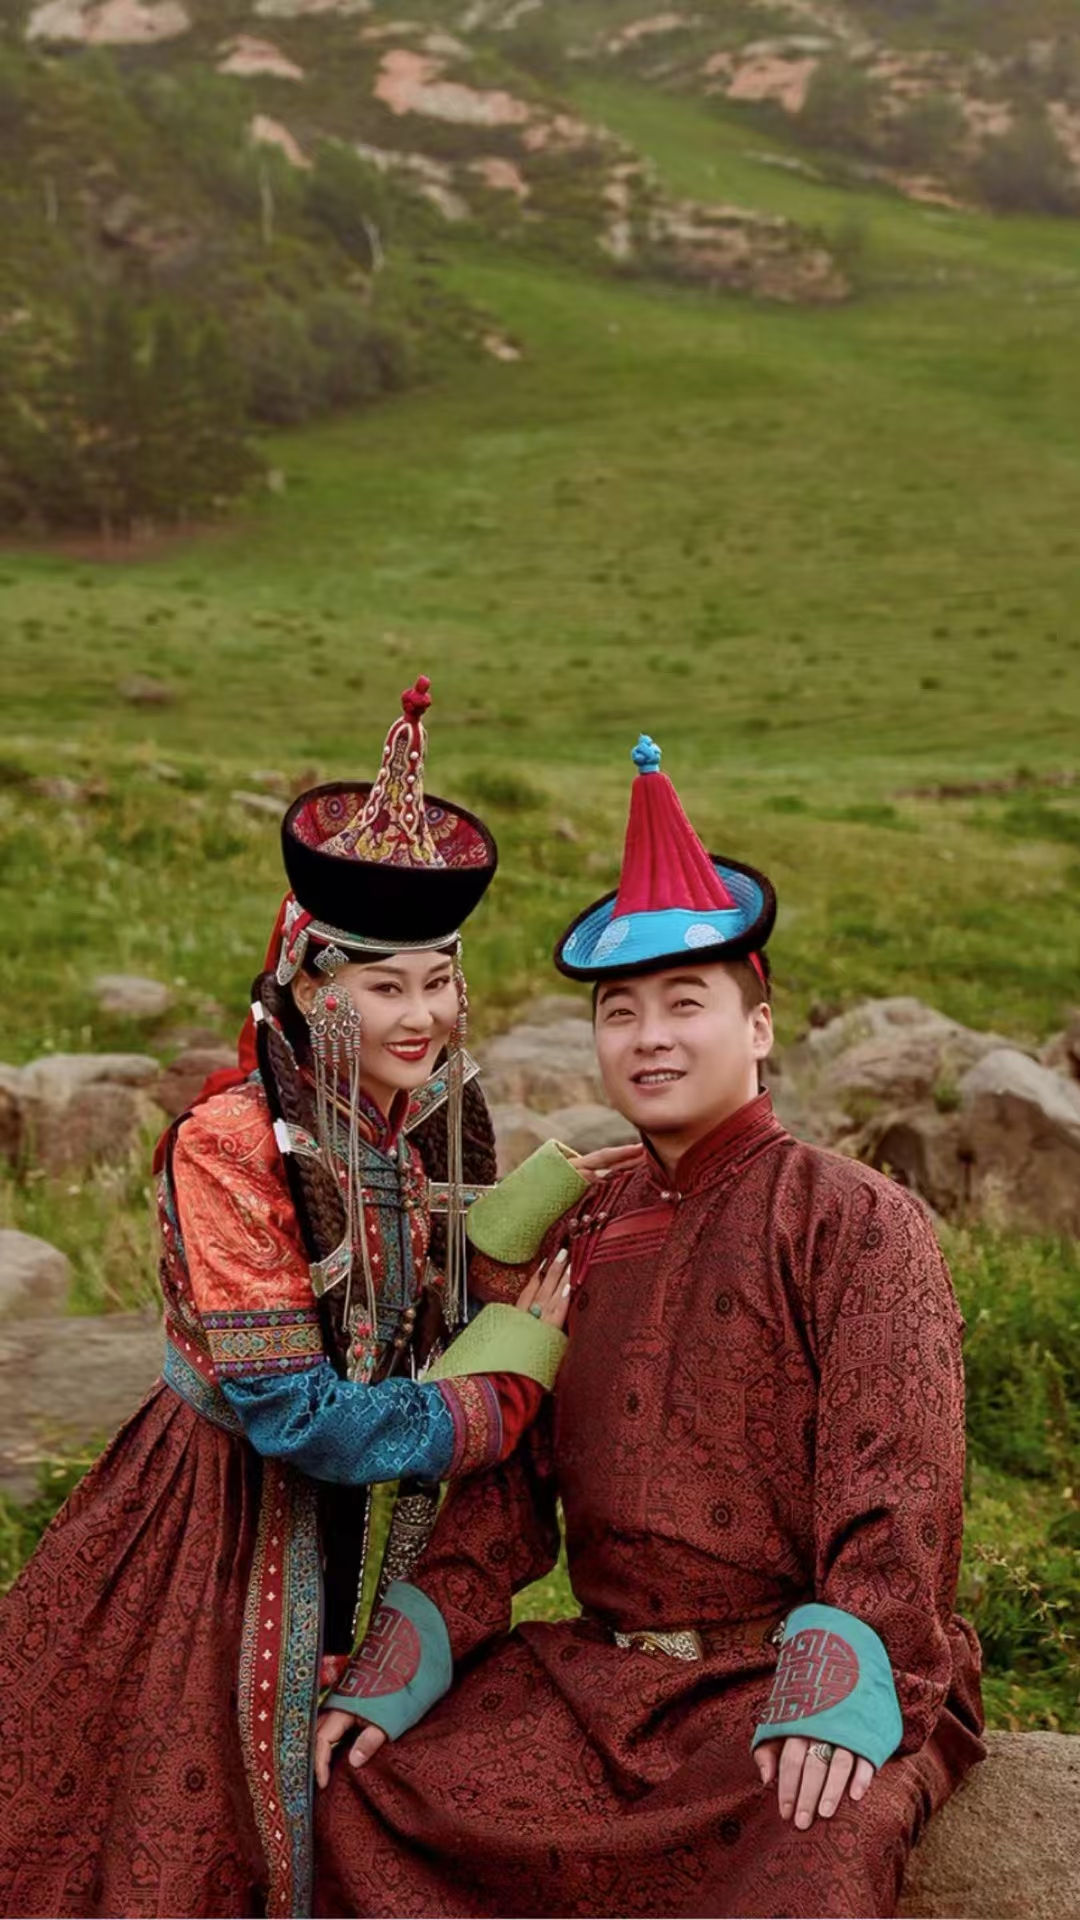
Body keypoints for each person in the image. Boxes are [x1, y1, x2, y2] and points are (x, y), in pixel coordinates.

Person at [313, 732, 986, 1920]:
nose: (652, 1037)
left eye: (688, 1004)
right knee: (367, 1791)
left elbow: (902, 1486)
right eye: (620, 1014)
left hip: (788, 1667)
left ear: (760, 1025)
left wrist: (843, 1681)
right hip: (602, 1679)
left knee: (812, 1837)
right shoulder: (581, 1226)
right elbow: (502, 1502)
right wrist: (392, 1672)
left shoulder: (856, 1219)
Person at [0, 678, 629, 1920]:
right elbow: (291, 1411)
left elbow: (431, 1307)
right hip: (225, 1512)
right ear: (308, 984)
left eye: (439, 983)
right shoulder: (232, 1142)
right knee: (178, 1822)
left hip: (373, 1515)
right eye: (383, 987)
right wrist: (495, 1407)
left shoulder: (433, 1125)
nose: (423, 1017)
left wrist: (517, 1257)